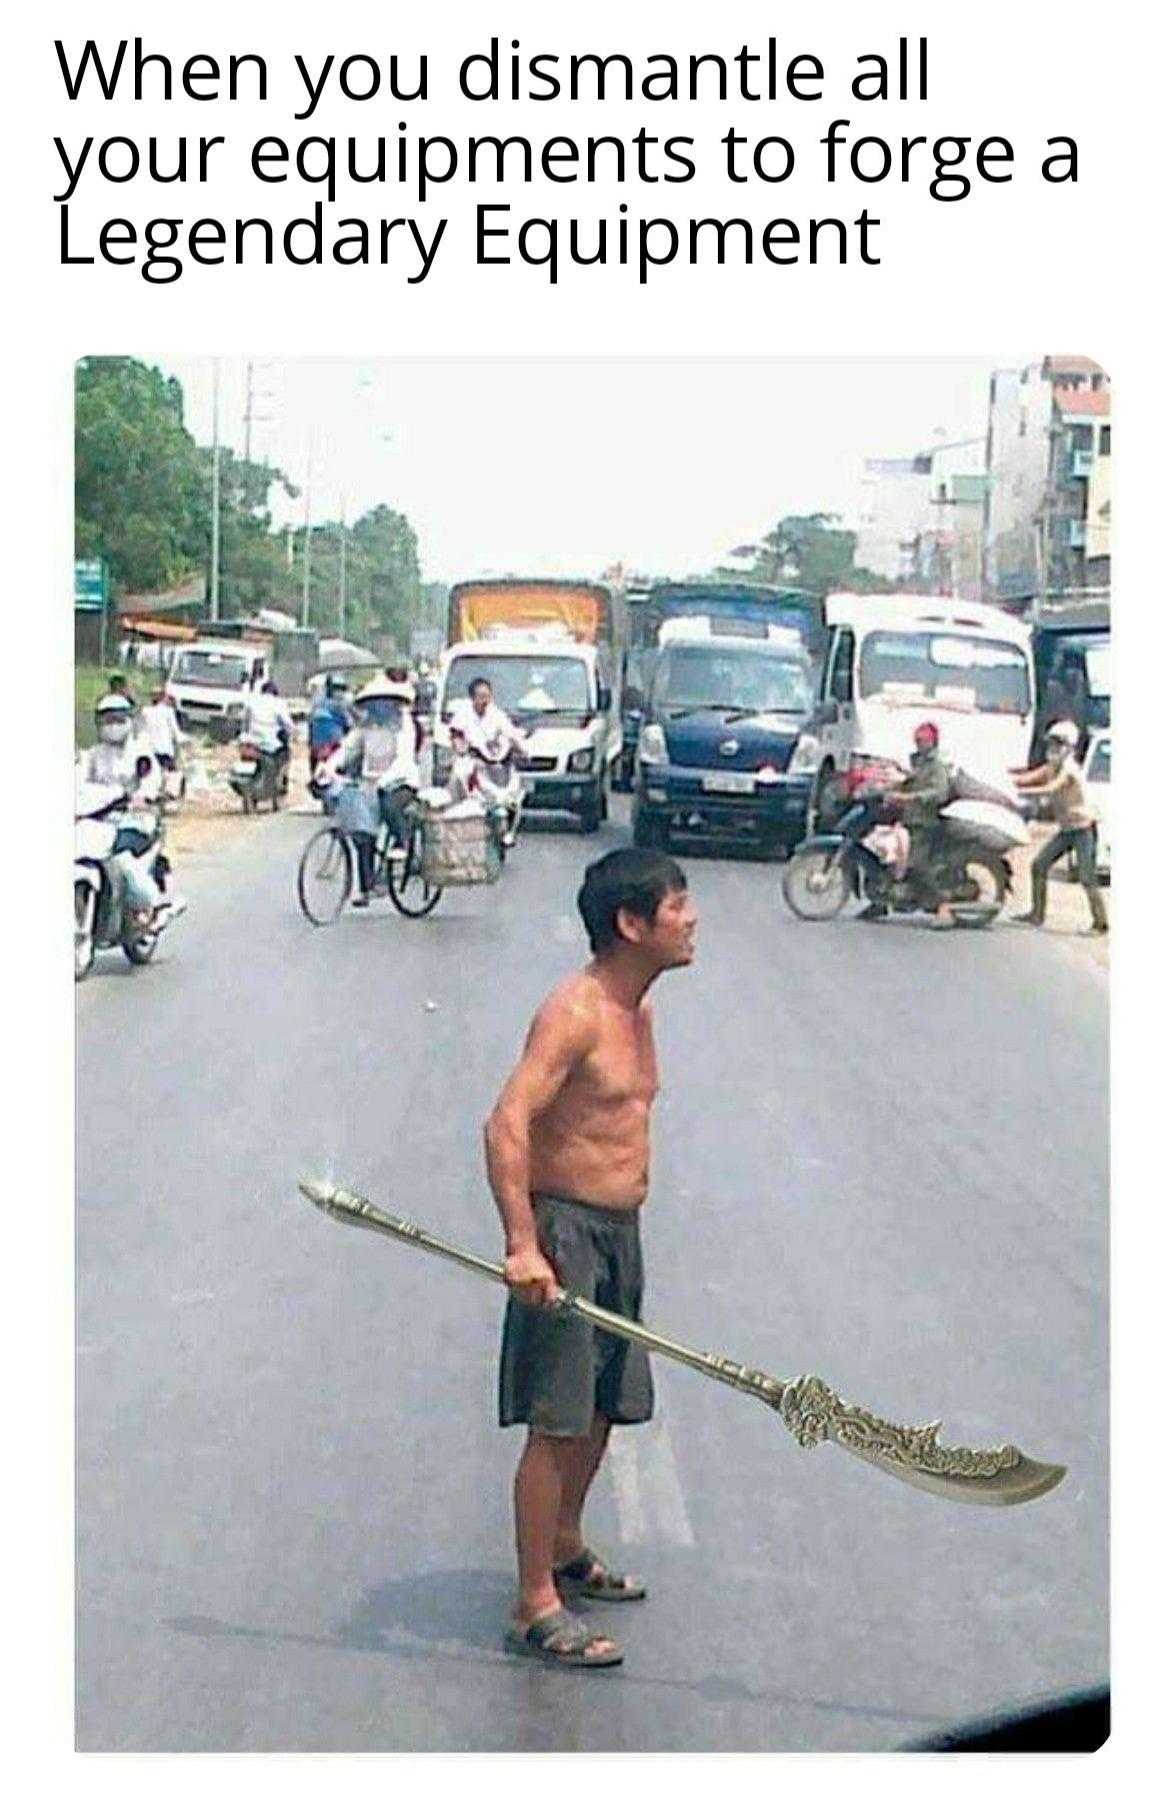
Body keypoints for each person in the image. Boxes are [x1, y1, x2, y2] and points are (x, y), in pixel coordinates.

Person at [484, 848, 698, 1668]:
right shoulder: (574, 1010)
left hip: (620, 1232)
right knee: (557, 1416)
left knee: (606, 1402)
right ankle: (535, 1600)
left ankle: (567, 1544)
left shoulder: (637, 1008)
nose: (692, 920)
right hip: (566, 1233)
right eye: (678, 905)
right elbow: (506, 1123)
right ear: (631, 923)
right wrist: (522, 1243)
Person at [78, 695, 185, 927]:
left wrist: (144, 795)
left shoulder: (140, 752)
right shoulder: (93, 755)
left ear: (129, 720)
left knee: (122, 859)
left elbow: (150, 778)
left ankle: (154, 904)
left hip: (134, 820)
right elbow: (77, 782)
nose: (112, 725)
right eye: (107, 720)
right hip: (97, 822)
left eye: (118, 719)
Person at [319, 677, 421, 906]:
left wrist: (385, 779)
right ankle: (368, 886)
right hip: (369, 783)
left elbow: (403, 759)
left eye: (384, 703)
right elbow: (348, 749)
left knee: (389, 804)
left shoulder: (404, 727)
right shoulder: (366, 726)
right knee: (362, 832)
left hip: (400, 782)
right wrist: (328, 767)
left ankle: (403, 844)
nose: (379, 708)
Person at [1010, 720, 1108, 935]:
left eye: (1057, 744)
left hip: (1082, 829)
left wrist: (1023, 794)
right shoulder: (1052, 767)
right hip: (1066, 829)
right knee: (1039, 865)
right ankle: (1037, 914)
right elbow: (1029, 777)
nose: (1052, 748)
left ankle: (1101, 924)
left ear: (1068, 747)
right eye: (1051, 743)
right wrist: (1009, 780)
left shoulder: (1069, 770)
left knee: (1087, 877)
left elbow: (1050, 787)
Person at [880, 721, 955, 926]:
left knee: (918, 865)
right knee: (886, 855)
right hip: (907, 820)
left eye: (922, 740)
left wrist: (911, 798)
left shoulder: (935, 766)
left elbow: (939, 793)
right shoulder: (916, 763)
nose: (919, 744)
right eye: (917, 740)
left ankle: (944, 906)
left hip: (924, 822)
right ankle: (880, 901)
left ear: (932, 742)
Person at [449, 676, 525, 764]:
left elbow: (510, 733)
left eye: (488, 696)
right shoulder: (462, 715)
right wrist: (461, 748)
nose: (485, 701)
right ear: (473, 698)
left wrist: (521, 749)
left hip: (494, 763)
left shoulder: (497, 714)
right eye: (482, 697)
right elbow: (456, 737)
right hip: (471, 762)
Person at [241, 680, 294, 791]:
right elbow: (288, 724)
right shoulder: (278, 703)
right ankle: (280, 782)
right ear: (275, 692)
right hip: (270, 742)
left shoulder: (252, 702)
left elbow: (244, 720)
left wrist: (245, 735)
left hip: (251, 741)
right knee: (286, 754)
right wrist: (293, 731)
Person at [308, 675, 354, 779]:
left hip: (317, 743)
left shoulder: (317, 701)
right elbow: (349, 723)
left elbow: (310, 721)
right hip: (334, 741)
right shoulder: (342, 702)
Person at [140, 683, 184, 776]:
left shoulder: (145, 711)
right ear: (163, 697)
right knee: (171, 775)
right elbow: (175, 730)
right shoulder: (168, 711)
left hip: (150, 749)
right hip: (165, 750)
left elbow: (141, 730)